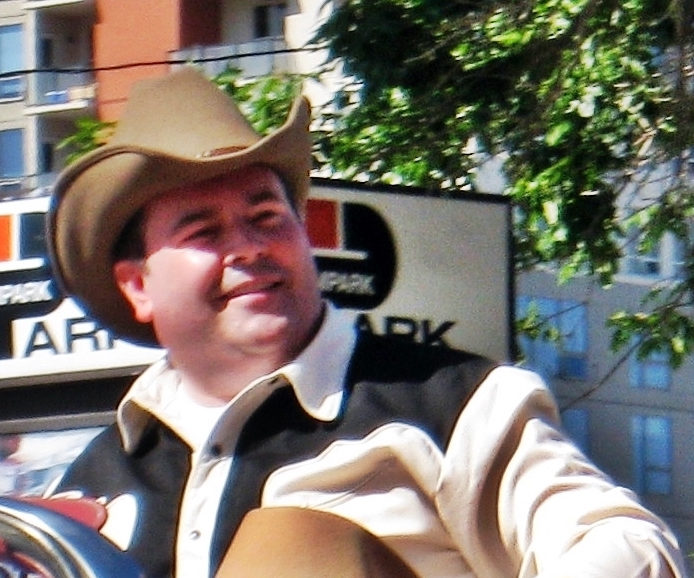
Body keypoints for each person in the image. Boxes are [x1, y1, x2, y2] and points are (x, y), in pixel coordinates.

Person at [45, 67, 687, 578]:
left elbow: (623, 543)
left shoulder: (455, 406)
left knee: (289, 552)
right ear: (137, 286)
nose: (249, 247)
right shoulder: (89, 489)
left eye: (267, 216)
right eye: (204, 231)